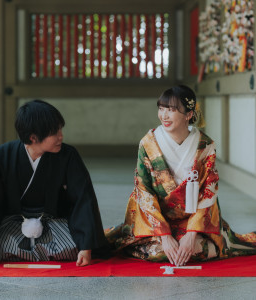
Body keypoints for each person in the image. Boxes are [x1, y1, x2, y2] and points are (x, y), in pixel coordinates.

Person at [105, 85, 256, 266]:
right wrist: (165, 235)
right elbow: (143, 190)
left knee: (204, 249)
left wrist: (191, 234)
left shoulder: (205, 145)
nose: (164, 116)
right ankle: (159, 241)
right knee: (158, 252)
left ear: (189, 114)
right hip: (156, 219)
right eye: (161, 109)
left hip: (191, 219)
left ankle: (188, 240)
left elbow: (209, 192)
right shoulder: (148, 143)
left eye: (171, 110)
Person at [0, 100, 108, 267]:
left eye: (60, 130)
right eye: (55, 132)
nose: (61, 136)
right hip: (13, 222)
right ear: (33, 137)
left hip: (53, 222)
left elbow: (83, 199)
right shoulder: (0, 156)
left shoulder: (68, 155)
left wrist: (85, 246)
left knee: (71, 248)